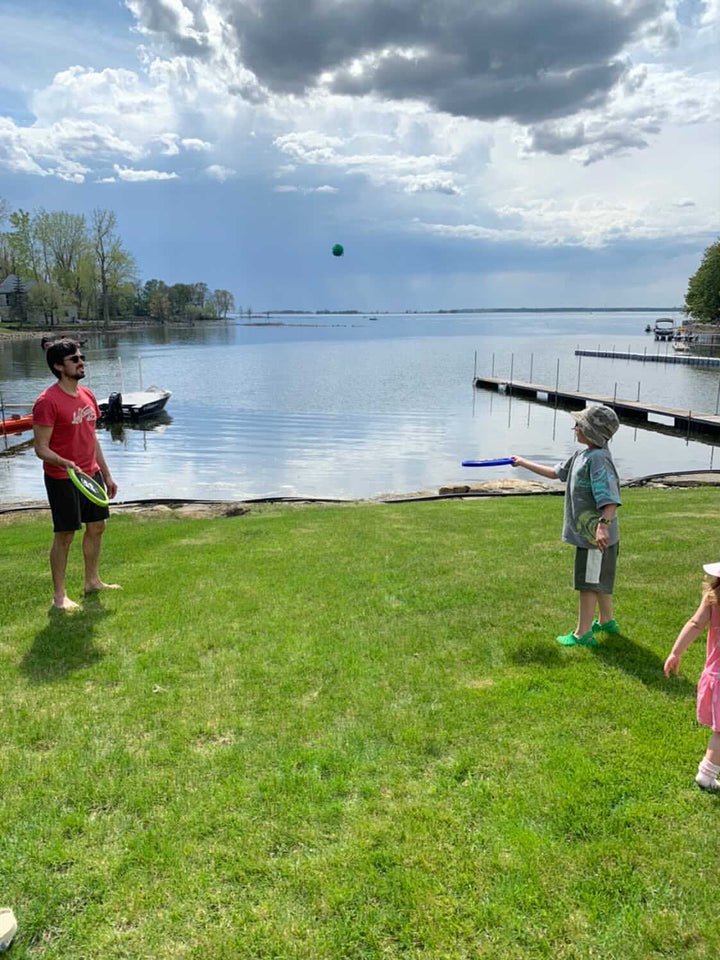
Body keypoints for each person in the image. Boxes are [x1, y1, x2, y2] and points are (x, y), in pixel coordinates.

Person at [511, 404, 621, 647]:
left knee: (588, 583)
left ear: (591, 432)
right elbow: (555, 473)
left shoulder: (599, 460)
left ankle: (583, 634)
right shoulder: (583, 455)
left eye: (579, 425)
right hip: (597, 536)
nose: (575, 427)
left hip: (595, 538)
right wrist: (523, 462)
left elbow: (610, 497)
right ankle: (606, 621)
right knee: (600, 579)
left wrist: (602, 526)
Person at [32, 339, 120, 610]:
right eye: (75, 359)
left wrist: (106, 474)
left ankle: (92, 581)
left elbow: (91, 437)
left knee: (97, 527)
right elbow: (40, 448)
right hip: (63, 477)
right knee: (66, 534)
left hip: (90, 474)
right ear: (59, 366)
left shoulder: (88, 395)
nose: (81, 362)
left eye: (82, 357)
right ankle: (59, 597)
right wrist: (65, 462)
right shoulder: (47, 402)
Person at [664, 563, 720, 791]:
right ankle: (706, 774)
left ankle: (707, 772)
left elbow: (695, 624)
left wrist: (676, 652)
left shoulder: (713, 597)